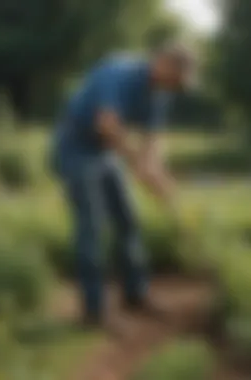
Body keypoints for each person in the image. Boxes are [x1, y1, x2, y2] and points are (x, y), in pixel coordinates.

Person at [51, 42, 196, 329]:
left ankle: (136, 294)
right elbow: (107, 124)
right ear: (163, 64)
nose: (175, 88)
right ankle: (94, 312)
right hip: (77, 148)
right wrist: (137, 164)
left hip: (106, 152)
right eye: (175, 80)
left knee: (129, 220)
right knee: (92, 228)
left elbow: (153, 141)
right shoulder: (117, 71)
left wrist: (158, 176)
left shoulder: (160, 93)